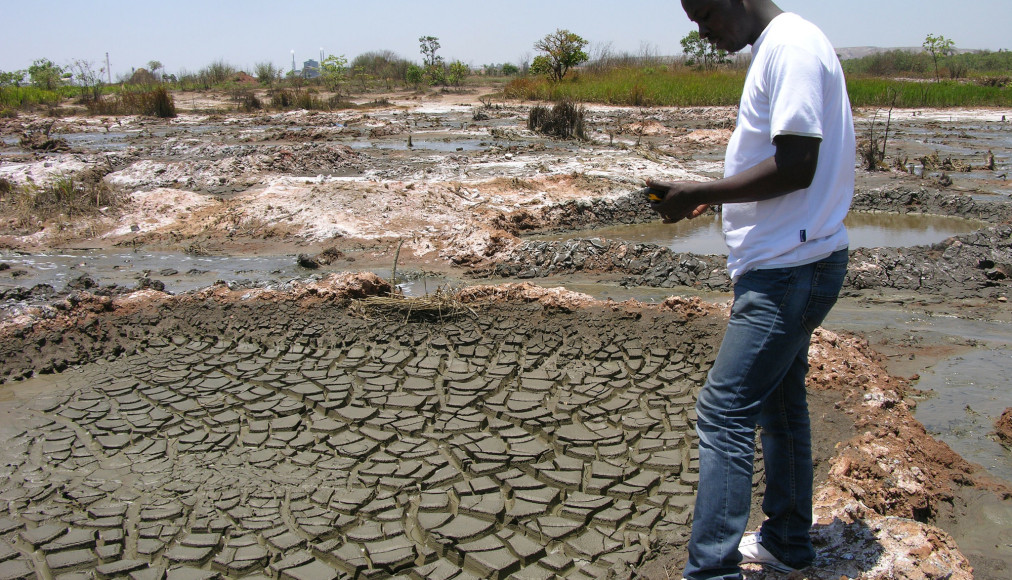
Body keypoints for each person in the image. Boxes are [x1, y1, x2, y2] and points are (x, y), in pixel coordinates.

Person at [646, 1, 855, 579]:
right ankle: (788, 542)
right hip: (793, 260)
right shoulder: (781, 45)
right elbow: (783, 165)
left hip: (789, 271)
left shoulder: (789, 47)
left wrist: (697, 190)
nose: (702, 29)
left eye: (706, 13)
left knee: (723, 411)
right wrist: (712, 196)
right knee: (780, 404)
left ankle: (711, 571)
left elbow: (797, 165)